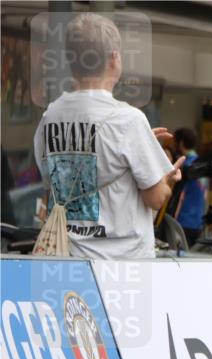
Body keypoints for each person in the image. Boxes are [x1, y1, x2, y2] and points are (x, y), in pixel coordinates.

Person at [33, 13, 182, 260]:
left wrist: (139, 143)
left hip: (66, 258)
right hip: (123, 268)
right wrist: (169, 180)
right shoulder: (128, 120)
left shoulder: (50, 117)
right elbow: (155, 199)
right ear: (114, 58)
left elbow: (55, 182)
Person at [171, 127, 206, 247]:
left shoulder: (185, 167)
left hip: (182, 221)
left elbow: (179, 195)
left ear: (180, 143)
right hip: (198, 220)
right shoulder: (201, 164)